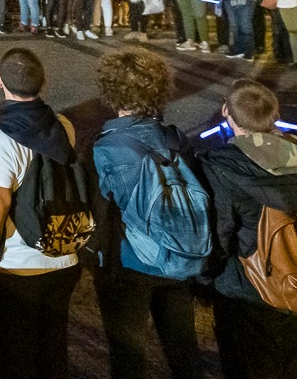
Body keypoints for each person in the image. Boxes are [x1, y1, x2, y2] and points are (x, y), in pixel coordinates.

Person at [0, 48, 82, 379]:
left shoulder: (2, 141)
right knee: (52, 350)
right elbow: (32, 138)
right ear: (43, 84)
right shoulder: (64, 126)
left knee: (14, 358)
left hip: (17, 268)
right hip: (64, 258)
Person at [201, 79, 297, 379]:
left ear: (225, 112)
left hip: (248, 281)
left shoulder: (223, 165)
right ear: (274, 115)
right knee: (294, 354)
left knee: (248, 362)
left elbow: (221, 230)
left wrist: (206, 275)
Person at [90, 47, 201, 379]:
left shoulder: (106, 147)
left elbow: (102, 210)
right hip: (177, 255)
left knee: (128, 350)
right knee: (183, 346)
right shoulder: (176, 140)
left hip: (128, 263)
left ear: (111, 92)